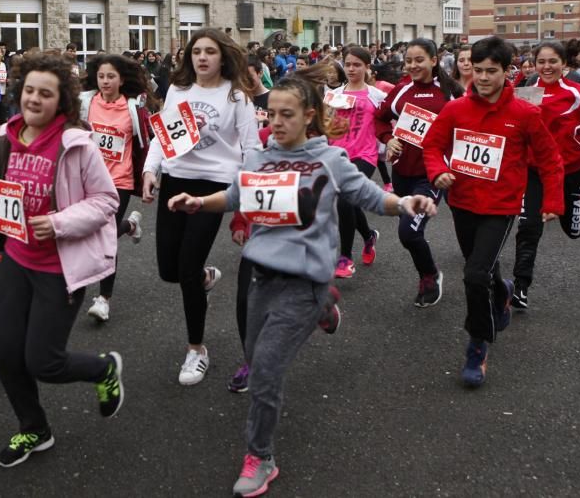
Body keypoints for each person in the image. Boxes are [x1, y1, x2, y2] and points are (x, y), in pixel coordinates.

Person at [167, 71, 437, 497]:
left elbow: (369, 196)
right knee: (256, 360)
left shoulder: (329, 160)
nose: (275, 121)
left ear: (309, 115)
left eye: (286, 114)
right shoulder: (257, 159)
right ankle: (326, 309)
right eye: (271, 113)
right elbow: (234, 196)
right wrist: (199, 202)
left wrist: (405, 202)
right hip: (261, 276)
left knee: (266, 374)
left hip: (305, 280)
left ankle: (260, 457)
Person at [0, 53, 123, 468]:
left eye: (46, 93)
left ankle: (104, 369)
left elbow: (107, 200)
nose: (34, 99)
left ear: (61, 102)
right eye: (30, 90)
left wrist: (58, 223)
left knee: (44, 361)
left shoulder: (77, 144)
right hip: (17, 259)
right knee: (5, 352)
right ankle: (34, 428)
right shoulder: (7, 136)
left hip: (60, 268)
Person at [423, 36, 564, 387]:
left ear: (506, 71)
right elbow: (433, 145)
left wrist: (553, 202)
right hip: (463, 203)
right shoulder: (455, 110)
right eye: (479, 70)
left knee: (473, 275)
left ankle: (477, 344)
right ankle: (501, 292)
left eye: (492, 71)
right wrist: (437, 170)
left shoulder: (525, 114)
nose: (483, 78)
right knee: (481, 268)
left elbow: (550, 160)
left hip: (500, 207)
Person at [141, 28, 261, 386]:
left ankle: (197, 349)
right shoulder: (178, 90)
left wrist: (246, 195)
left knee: (188, 268)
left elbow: (252, 148)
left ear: (223, 56)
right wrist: (150, 170)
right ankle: (204, 278)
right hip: (176, 181)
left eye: (210, 51)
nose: (202, 58)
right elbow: (163, 137)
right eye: (196, 52)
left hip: (213, 187)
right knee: (169, 271)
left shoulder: (237, 96)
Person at [511, 40, 580, 308]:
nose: (546, 66)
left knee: (572, 230)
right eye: (541, 61)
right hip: (535, 172)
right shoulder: (526, 93)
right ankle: (520, 287)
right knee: (529, 227)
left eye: (553, 61)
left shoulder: (576, 93)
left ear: (564, 64)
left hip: (571, 172)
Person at [374, 38, 462, 306]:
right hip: (402, 171)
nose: (412, 65)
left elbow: (470, 127)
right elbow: (379, 117)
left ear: (434, 60)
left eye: (419, 60)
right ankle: (428, 272)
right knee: (411, 232)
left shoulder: (451, 92)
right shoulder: (401, 90)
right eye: (409, 60)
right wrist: (388, 138)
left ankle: (429, 275)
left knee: (409, 232)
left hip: (432, 173)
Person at [80, 54, 151, 322]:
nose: (106, 81)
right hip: (88, 179)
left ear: (121, 79)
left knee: (105, 236)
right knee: (90, 231)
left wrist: (147, 177)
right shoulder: (86, 103)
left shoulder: (133, 108)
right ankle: (130, 226)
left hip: (119, 180)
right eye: (101, 76)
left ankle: (104, 299)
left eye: (111, 76)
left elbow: (146, 144)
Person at [324, 48, 387, 278]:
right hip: (337, 155)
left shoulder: (376, 96)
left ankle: (345, 257)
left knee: (345, 200)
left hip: (365, 156)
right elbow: (325, 123)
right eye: (348, 64)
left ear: (367, 67)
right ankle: (369, 235)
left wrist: (391, 143)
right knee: (350, 202)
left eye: (357, 65)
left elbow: (388, 122)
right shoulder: (333, 94)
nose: (351, 69)